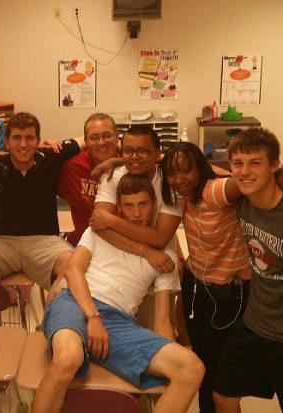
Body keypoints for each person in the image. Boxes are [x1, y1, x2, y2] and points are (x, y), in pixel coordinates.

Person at [33, 174, 204, 413]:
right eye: (129, 206)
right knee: (68, 359)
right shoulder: (98, 232)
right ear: (119, 208)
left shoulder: (165, 255)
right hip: (74, 302)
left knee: (191, 368)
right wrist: (93, 317)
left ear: (153, 205)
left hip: (119, 322)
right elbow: (73, 271)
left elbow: (162, 320)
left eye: (142, 204)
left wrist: (168, 355)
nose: (137, 213)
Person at [160, 142, 251, 413]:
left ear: (200, 169)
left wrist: (275, 170)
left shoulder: (214, 191)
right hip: (196, 285)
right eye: (172, 173)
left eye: (187, 170)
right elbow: (147, 161)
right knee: (201, 364)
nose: (179, 180)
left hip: (229, 293)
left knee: (219, 378)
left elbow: (242, 182)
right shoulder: (183, 197)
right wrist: (113, 161)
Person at [0, 112, 81, 310]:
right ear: (6, 142)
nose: (23, 144)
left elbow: (90, 139)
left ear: (39, 140)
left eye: (29, 138)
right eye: (17, 138)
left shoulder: (51, 156)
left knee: (74, 264)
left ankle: (55, 322)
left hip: (43, 241)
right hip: (0, 242)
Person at [213, 128, 283, 413]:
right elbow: (201, 169)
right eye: (238, 163)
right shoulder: (242, 200)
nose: (244, 172)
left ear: (274, 166)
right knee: (223, 397)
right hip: (254, 324)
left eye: (255, 163)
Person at [90, 125, 181, 273]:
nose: (134, 157)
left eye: (142, 151)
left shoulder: (170, 182)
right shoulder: (111, 177)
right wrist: (145, 251)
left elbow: (160, 238)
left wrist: (111, 220)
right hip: (118, 251)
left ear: (157, 154)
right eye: (128, 151)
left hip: (161, 254)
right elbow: (98, 224)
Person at [57, 113, 121, 246]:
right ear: (85, 141)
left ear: (117, 137)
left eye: (107, 136)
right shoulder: (72, 167)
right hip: (82, 243)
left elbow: (158, 159)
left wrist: (119, 162)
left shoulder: (134, 165)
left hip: (124, 244)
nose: (101, 142)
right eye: (94, 138)